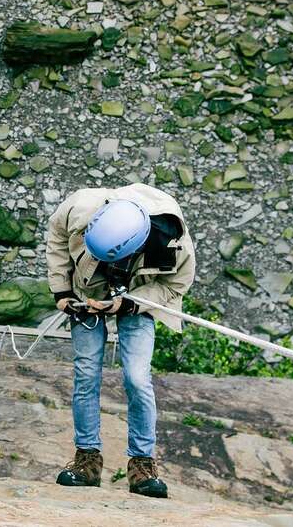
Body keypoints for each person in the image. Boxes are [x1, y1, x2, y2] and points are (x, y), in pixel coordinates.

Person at [46, 183, 195, 498]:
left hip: (141, 296)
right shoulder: (79, 208)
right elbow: (57, 236)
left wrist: (129, 303)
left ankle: (142, 465)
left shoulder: (174, 243)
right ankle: (87, 461)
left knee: (137, 378)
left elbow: (174, 286)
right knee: (86, 371)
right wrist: (62, 291)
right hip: (85, 292)